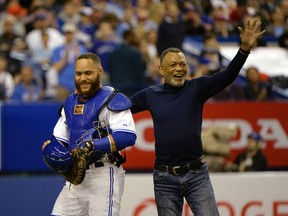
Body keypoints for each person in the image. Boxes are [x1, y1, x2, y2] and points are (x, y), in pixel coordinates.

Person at [130, 18, 265, 215]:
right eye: (173, 65)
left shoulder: (197, 88)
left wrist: (243, 50)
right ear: (161, 70)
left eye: (182, 64)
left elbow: (227, 75)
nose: (179, 68)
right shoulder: (150, 95)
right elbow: (122, 107)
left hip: (197, 175)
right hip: (164, 178)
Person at [42, 53, 137, 215]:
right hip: (75, 177)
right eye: (79, 74)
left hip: (103, 175)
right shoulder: (70, 102)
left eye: (88, 73)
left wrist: (91, 145)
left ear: (100, 72)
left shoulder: (112, 99)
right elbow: (59, 138)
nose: (83, 78)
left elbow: (127, 135)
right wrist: (52, 150)